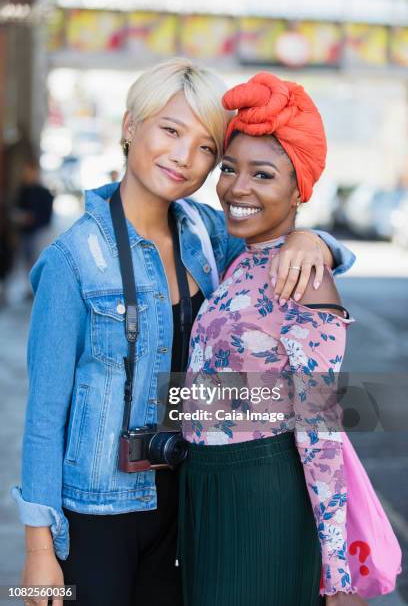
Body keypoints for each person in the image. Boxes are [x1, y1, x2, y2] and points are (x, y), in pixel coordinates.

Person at [11, 59, 355, 606]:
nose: (183, 158)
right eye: (170, 131)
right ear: (130, 127)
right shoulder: (74, 260)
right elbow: (45, 416)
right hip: (99, 511)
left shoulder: (206, 232)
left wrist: (320, 241)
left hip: (187, 505)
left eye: (204, 149)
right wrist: (35, 554)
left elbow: (271, 225)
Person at [178, 72, 366, 605]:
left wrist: (339, 575)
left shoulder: (305, 276)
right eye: (230, 169)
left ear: (297, 188)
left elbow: (321, 427)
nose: (238, 188)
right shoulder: (239, 257)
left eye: (263, 174)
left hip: (265, 497)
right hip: (208, 493)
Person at [13, 160, 54, 276]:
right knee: (27, 261)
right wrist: (21, 217)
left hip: (39, 232)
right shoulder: (22, 191)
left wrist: (34, 218)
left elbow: (47, 215)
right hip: (25, 232)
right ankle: (30, 288)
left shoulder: (44, 193)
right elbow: (16, 210)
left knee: (38, 261)